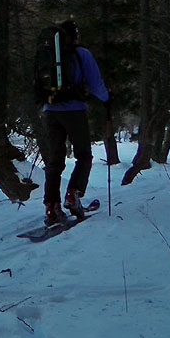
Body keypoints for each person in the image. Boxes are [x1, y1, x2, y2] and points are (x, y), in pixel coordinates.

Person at [41, 20, 110, 225]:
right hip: (74, 111)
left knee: (55, 161)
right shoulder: (82, 54)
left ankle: (51, 207)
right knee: (84, 155)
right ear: (75, 35)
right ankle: (73, 194)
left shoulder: (48, 55)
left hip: (50, 111)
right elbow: (95, 84)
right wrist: (107, 99)